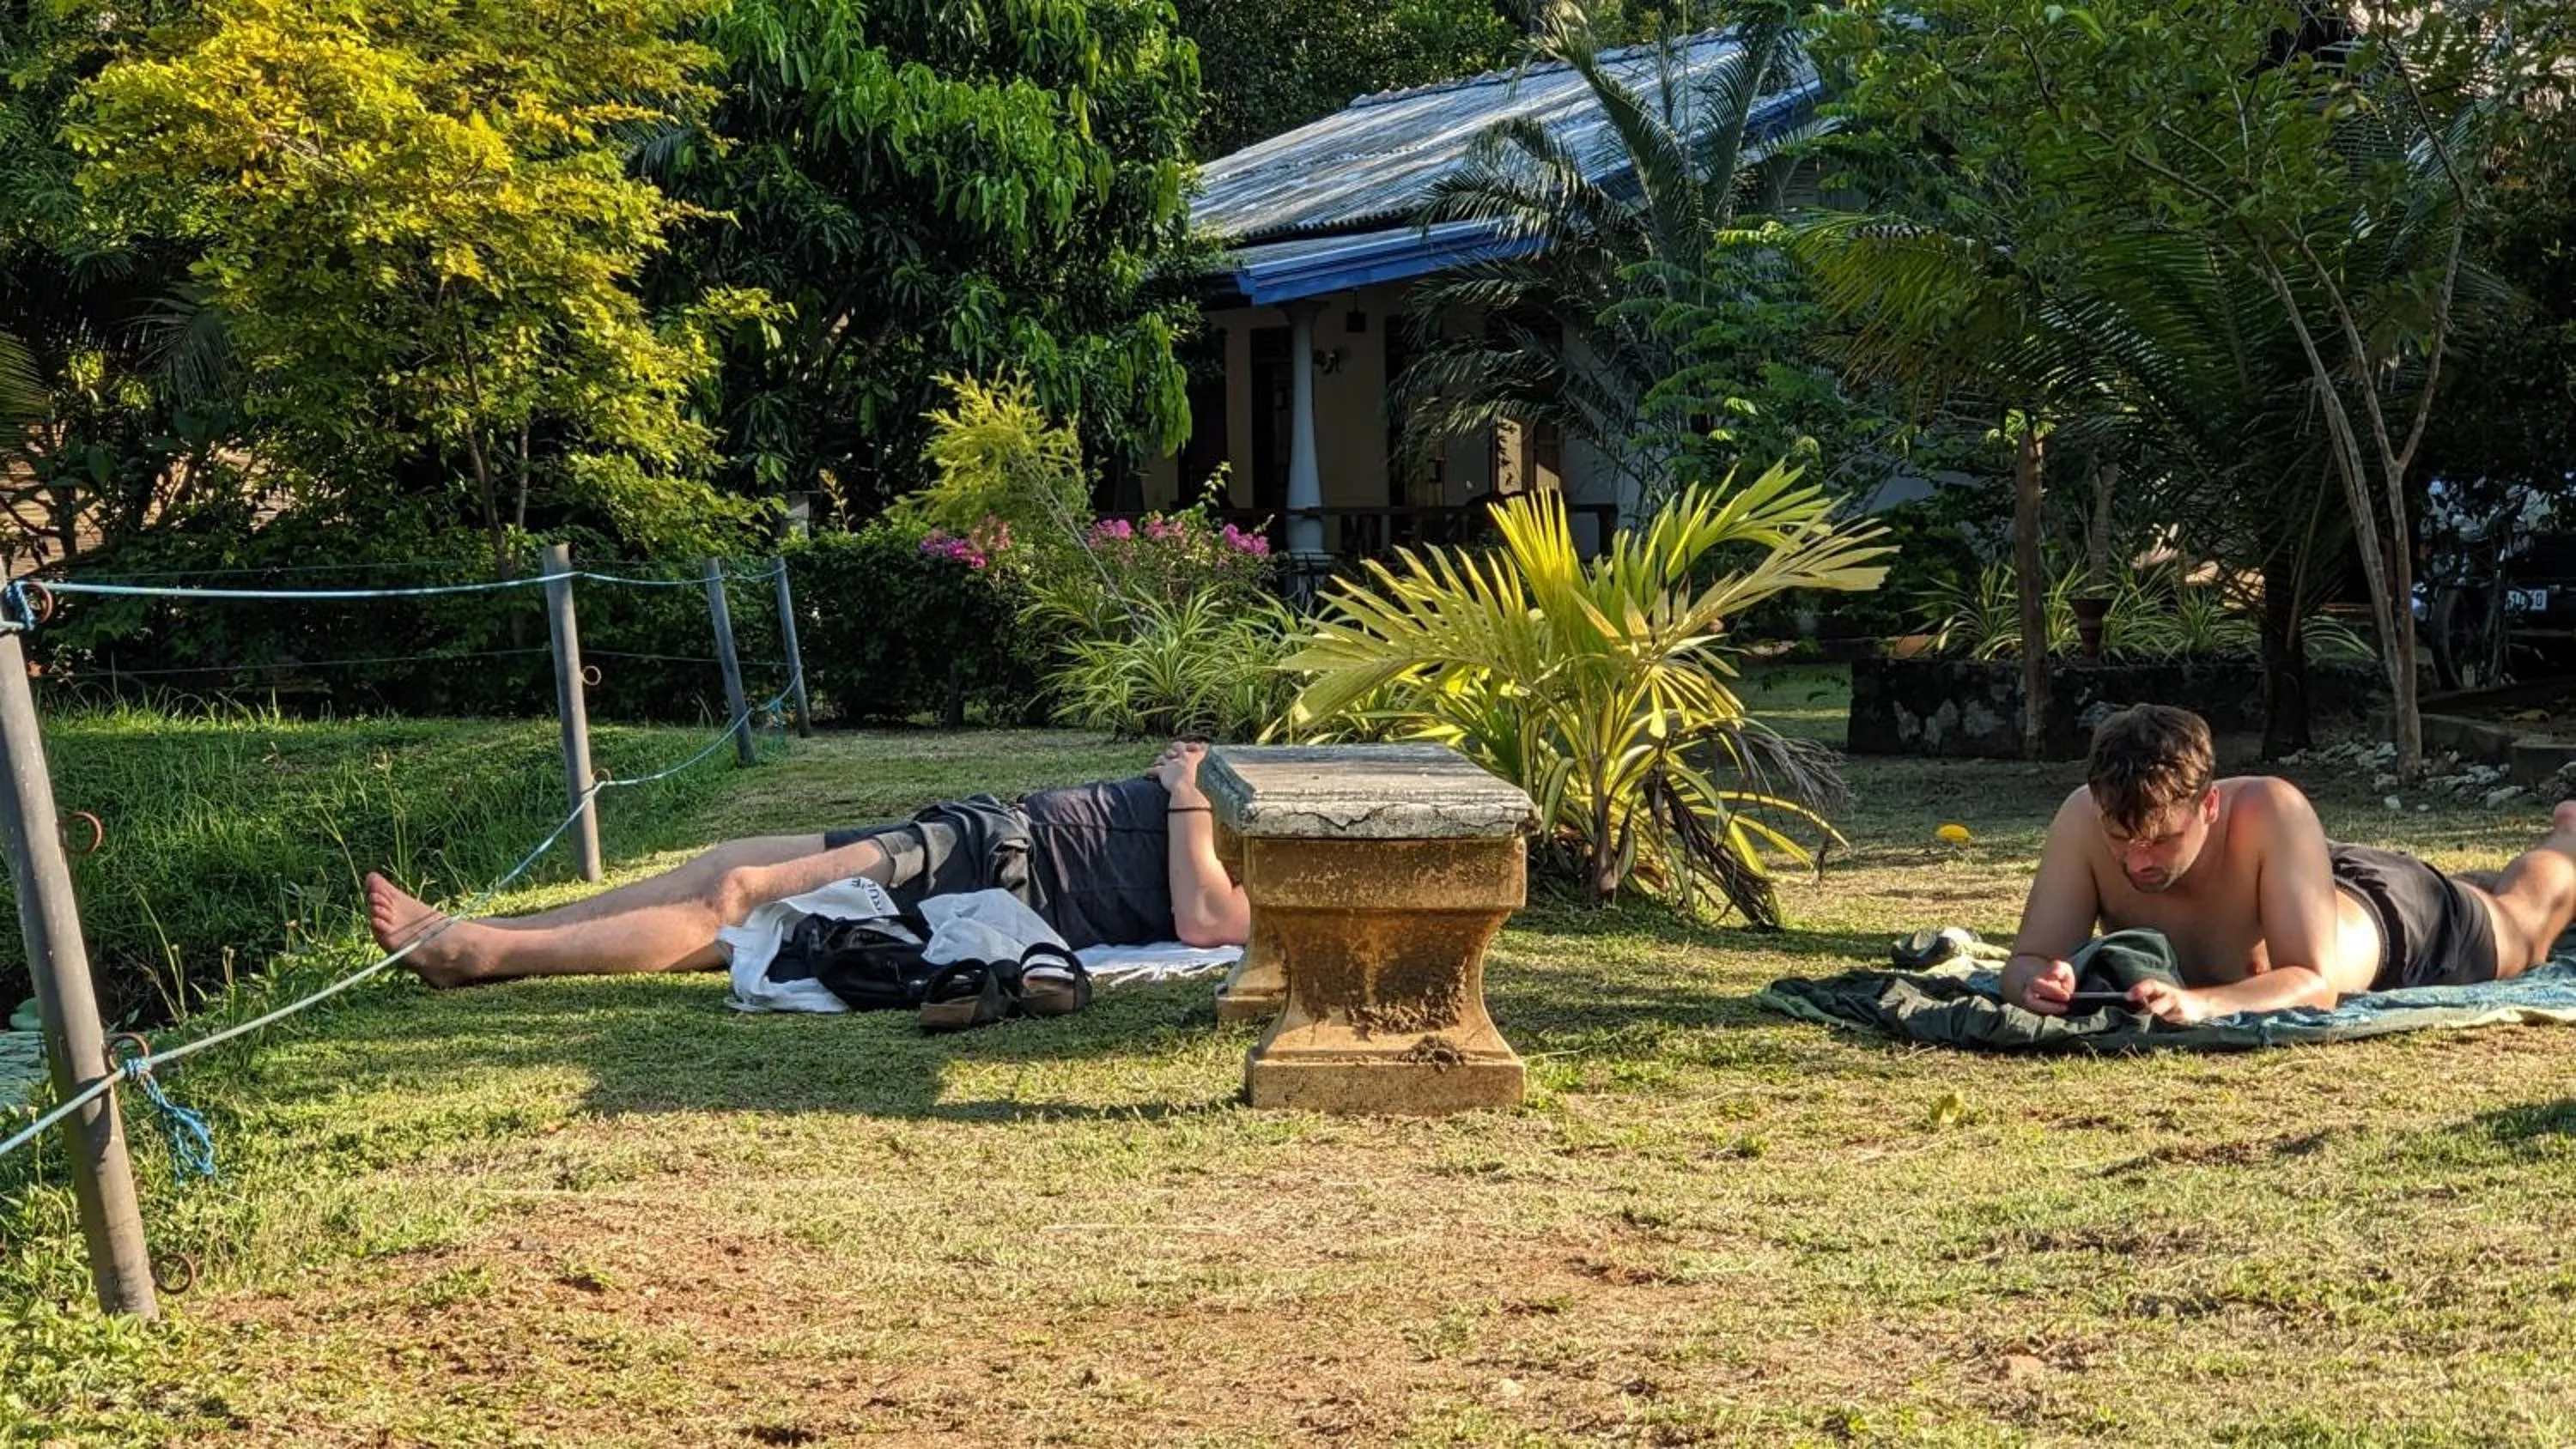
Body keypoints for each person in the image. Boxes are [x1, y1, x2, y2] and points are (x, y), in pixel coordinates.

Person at [368, 742, 1251, 988]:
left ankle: (481, 955)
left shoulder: (1317, 891)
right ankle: (493, 931)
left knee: (741, 901)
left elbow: (1206, 920)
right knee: (726, 859)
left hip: (1003, 868)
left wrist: (1185, 794)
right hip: (986, 829)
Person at [2003, 704, 2576, 1024]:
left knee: (2523, 923)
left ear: (2210, 804)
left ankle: (2567, 836)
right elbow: (2026, 961)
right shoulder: (2082, 817)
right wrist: (2037, 982)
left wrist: (2204, 1002)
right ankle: (2472, 881)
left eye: (2160, 841)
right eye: (2120, 838)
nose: (2138, 860)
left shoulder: (2271, 806)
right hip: (2305, 877)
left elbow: (2314, 984)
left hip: (2396, 917)